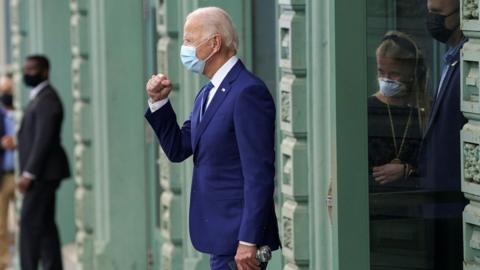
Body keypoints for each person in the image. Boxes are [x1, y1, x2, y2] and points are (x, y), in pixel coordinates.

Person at [145, 7, 280, 270]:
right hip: (219, 238)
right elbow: (178, 148)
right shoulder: (208, 92)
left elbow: (259, 173)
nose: (183, 47)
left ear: (214, 43)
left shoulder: (247, 92)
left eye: (188, 40)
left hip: (239, 244)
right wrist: (158, 103)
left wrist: (248, 240)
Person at [367, 31, 432, 269]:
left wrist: (407, 170)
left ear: (411, 75)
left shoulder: (423, 113)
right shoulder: (367, 109)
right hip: (373, 218)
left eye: (393, 74)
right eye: (381, 73)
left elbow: (434, 165)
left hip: (414, 219)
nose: (386, 80)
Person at [419, 0, 467, 268]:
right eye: (429, 12)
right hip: (436, 204)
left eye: (439, 14)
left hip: (456, 205)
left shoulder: (467, 62)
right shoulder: (449, 59)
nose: (432, 21)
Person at [18, 55, 71, 270]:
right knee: (45, 226)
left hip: (41, 176)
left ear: (45, 72)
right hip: (43, 175)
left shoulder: (48, 99)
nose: (27, 73)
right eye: (26, 69)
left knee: (30, 226)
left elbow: (44, 139)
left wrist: (28, 173)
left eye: (32, 69)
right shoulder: (39, 98)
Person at [0, 73, 16, 270]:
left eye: (9, 91)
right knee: (1, 226)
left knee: (28, 223)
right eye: (4, 91)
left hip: (22, 175)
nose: (7, 94)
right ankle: (3, 263)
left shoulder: (23, 112)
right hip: (3, 176)